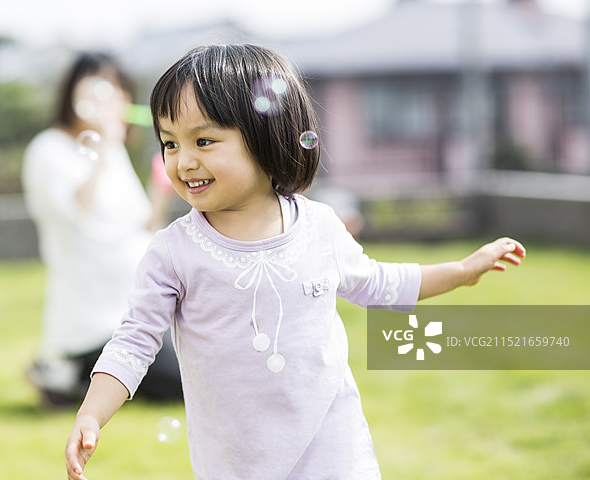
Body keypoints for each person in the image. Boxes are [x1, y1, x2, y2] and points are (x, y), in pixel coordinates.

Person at [64, 44, 526, 480]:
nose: (183, 161)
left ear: (266, 137)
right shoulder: (172, 252)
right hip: (236, 459)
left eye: (204, 141)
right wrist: (92, 412)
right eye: (169, 144)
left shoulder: (320, 227)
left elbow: (380, 283)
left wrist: (463, 272)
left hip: (333, 446)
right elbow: (133, 342)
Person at [21, 52, 182, 409]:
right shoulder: (49, 149)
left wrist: (162, 187)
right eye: (98, 90)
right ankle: (69, 371)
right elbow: (79, 210)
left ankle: (68, 375)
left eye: (118, 92)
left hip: (140, 311)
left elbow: (143, 228)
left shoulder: (114, 151)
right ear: (72, 94)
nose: (109, 102)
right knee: (186, 383)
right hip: (94, 324)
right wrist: (106, 142)